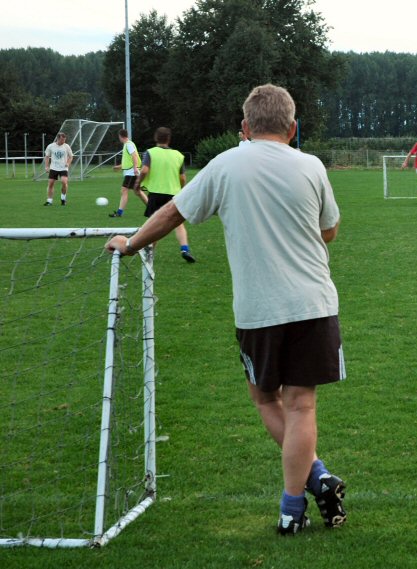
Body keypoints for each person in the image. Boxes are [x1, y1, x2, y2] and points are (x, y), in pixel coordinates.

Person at [106, 84, 346, 535]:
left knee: (265, 398)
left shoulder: (225, 164)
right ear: (293, 129)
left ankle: (311, 485)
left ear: (244, 127)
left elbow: (174, 212)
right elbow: (329, 230)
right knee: (302, 406)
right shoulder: (311, 165)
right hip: (315, 303)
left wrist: (132, 243)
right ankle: (299, 500)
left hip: (259, 307)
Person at [135, 127, 196, 263]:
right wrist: (181, 190)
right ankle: (185, 249)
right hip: (173, 194)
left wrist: (138, 183)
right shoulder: (178, 155)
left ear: (156, 138)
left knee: (154, 224)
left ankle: (149, 252)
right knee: (178, 223)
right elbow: (182, 178)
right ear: (169, 139)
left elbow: (144, 170)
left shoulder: (150, 153)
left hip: (156, 193)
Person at [109, 129, 148, 217]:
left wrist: (134, 168)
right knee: (137, 191)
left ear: (120, 136)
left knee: (124, 190)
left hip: (131, 172)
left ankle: (119, 213)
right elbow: (128, 160)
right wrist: (118, 167)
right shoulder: (128, 144)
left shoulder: (128, 144)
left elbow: (134, 156)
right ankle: (152, 209)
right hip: (131, 171)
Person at [43, 132, 73, 206]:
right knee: (51, 183)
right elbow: (47, 157)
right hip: (53, 168)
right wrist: (47, 166)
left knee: (64, 182)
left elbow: (71, 156)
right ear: (58, 139)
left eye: (64, 140)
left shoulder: (66, 146)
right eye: (62, 140)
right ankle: (49, 201)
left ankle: (63, 199)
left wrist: (68, 163)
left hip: (63, 168)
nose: (63, 141)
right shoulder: (51, 146)